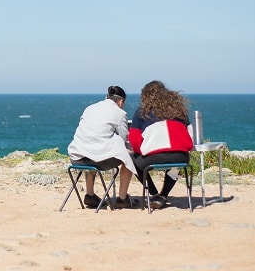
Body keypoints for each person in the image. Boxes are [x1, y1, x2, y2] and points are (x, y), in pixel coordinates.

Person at [67, 85, 138, 209]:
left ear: (107, 97)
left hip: (76, 158)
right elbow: (124, 139)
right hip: (98, 161)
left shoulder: (89, 108)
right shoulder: (119, 113)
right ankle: (122, 198)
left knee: (90, 149)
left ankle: (90, 195)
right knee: (129, 155)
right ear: (121, 101)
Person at [128, 80, 194, 210]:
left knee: (132, 161)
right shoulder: (180, 111)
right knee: (176, 167)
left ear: (146, 96)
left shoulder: (142, 111)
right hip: (180, 157)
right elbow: (190, 135)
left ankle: (154, 193)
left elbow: (134, 141)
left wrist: (142, 151)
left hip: (153, 158)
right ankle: (163, 195)